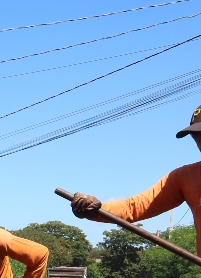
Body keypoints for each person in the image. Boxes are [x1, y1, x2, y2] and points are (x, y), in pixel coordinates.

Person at [70, 105, 201, 253]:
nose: (199, 139)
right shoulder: (184, 177)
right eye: (196, 135)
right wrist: (94, 209)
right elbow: (134, 207)